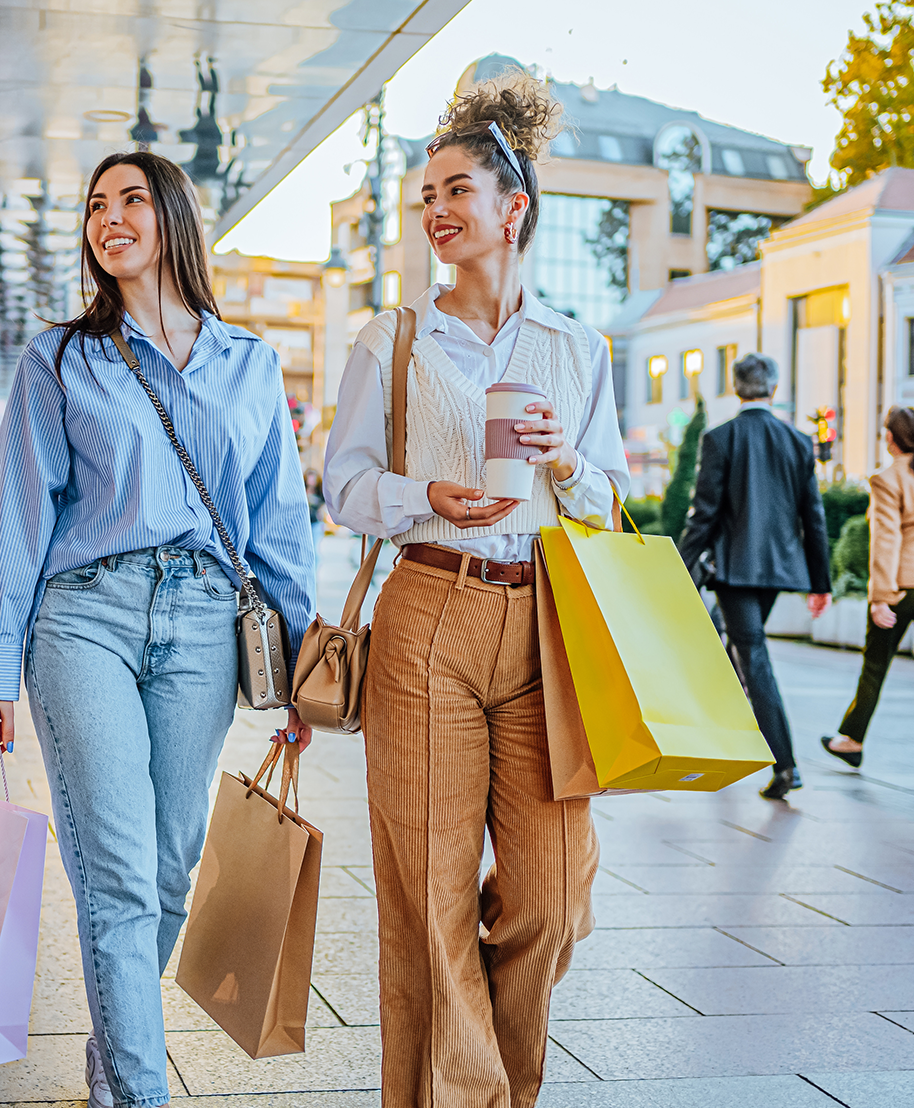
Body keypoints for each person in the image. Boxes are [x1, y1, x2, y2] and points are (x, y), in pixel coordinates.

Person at [0, 151, 315, 1108]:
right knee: (117, 874)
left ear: (173, 217)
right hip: (85, 620)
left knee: (167, 871)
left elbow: (278, 520)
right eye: (94, 206)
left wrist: (299, 670)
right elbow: (18, 513)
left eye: (129, 201)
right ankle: (136, 1095)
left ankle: (109, 1070)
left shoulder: (247, 363)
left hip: (205, 624)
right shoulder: (61, 357)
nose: (108, 218)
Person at [324, 71, 629, 1108]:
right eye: (428, 197)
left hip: (543, 625)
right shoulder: (393, 339)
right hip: (426, 615)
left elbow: (609, 502)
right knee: (428, 895)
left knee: (549, 896)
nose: (437, 212)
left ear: (515, 208)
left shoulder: (577, 350)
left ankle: (487, 1079)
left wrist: (566, 466)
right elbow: (344, 487)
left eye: (458, 190)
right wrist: (422, 495)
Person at [679, 353, 831, 800]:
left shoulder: (721, 438)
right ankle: (723, 740)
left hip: (735, 569)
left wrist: (681, 571)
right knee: (738, 643)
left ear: (735, 387)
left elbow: (703, 516)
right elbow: (814, 518)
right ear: (775, 388)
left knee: (752, 652)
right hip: (779, 568)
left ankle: (785, 765)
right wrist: (820, 582)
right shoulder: (799, 441)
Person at [822, 407, 914, 767]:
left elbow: (886, 540)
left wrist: (881, 598)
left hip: (902, 587)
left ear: (890, 437)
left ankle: (852, 740)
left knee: (875, 665)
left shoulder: (888, 478)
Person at [305, 468, 325, 566]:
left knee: (315, 550)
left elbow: (323, 504)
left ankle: (315, 575)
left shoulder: (319, 491)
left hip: (316, 523)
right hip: (305, 523)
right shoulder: (302, 489)